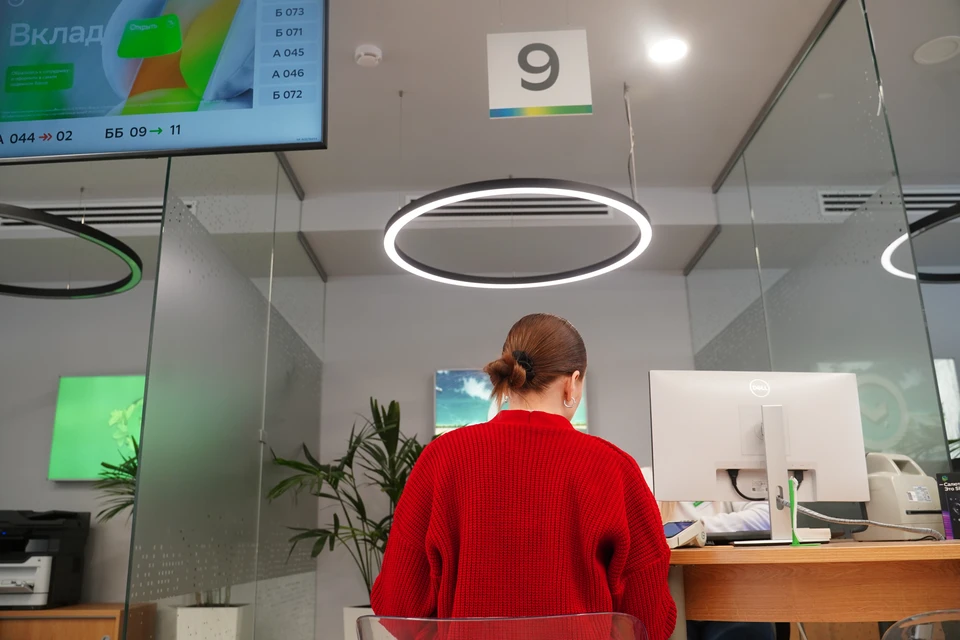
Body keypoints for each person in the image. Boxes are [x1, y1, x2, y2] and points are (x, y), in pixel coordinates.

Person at [372, 313, 676, 640]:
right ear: (573, 383)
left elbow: (398, 606)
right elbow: (649, 621)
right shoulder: (615, 468)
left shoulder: (441, 458)